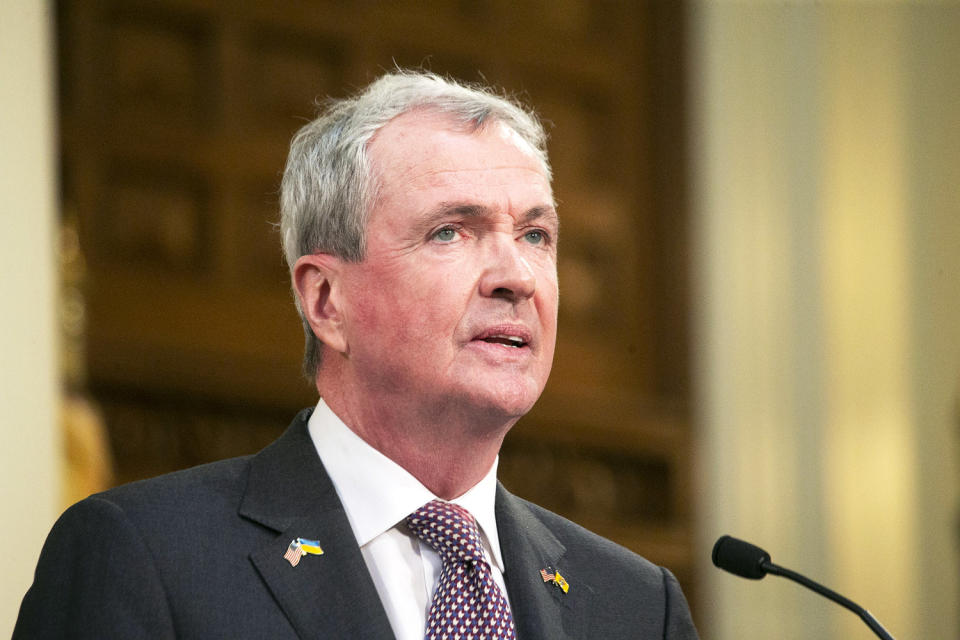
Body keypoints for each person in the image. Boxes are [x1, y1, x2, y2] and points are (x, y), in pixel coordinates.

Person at [15, 70, 699, 639]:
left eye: (535, 234)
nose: (515, 276)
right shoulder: (143, 558)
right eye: (450, 232)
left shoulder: (637, 607)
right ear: (326, 302)